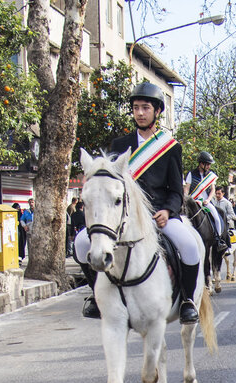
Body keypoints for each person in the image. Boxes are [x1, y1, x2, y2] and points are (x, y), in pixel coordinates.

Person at [73, 81, 201, 324]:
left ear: (157, 111)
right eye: (136, 108)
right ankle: (95, 296)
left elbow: (176, 191)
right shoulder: (119, 145)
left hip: (157, 216)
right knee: (81, 244)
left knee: (189, 246)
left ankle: (186, 300)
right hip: (122, 218)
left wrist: (167, 210)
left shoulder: (171, 148)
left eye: (145, 108)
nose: (140, 113)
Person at [185, 151, 226, 253]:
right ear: (201, 163)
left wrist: (208, 200)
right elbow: (187, 189)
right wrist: (186, 199)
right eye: (207, 164)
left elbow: (213, 189)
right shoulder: (191, 174)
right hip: (194, 201)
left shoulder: (211, 175)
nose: (208, 166)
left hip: (206, 202)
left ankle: (219, 239)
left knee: (216, 217)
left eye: (209, 164)